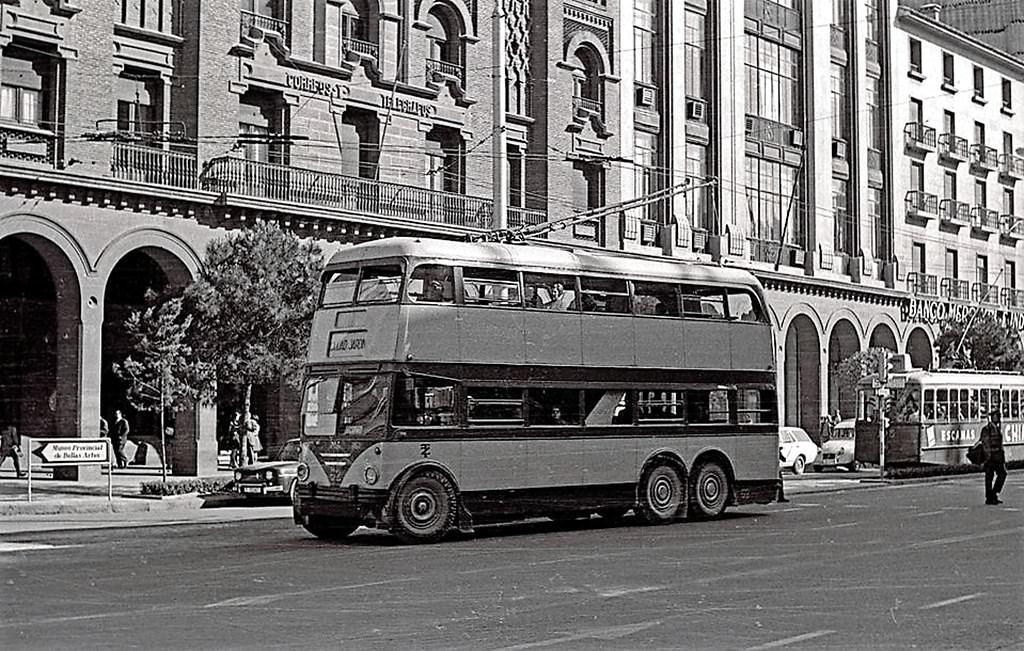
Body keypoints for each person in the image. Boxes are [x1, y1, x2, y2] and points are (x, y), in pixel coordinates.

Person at [980, 407, 1007, 505]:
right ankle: (990, 497)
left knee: (1002, 474)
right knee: (989, 477)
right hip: (991, 457)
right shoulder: (987, 429)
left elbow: (1000, 444)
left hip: (998, 456)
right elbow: (985, 444)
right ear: (992, 418)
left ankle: (993, 493)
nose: (999, 418)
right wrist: (988, 457)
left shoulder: (997, 429)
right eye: (997, 416)